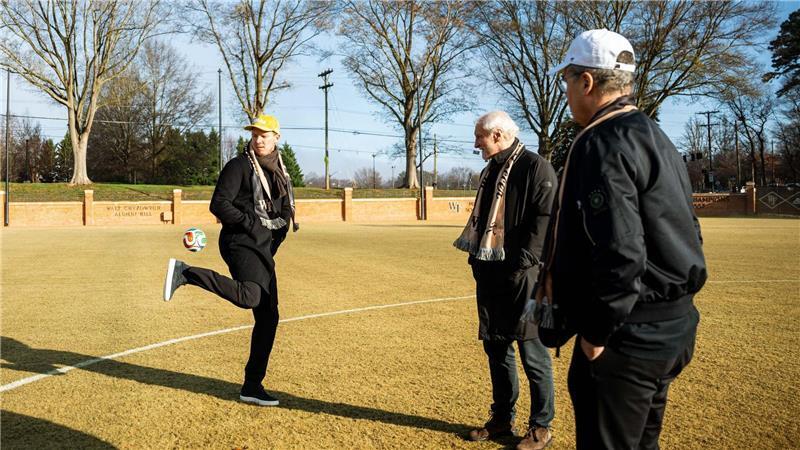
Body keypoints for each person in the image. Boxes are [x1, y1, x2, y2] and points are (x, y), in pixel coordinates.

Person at [542, 29, 707, 449]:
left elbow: (622, 251)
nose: (565, 92)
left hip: (629, 337)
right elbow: (689, 226)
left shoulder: (603, 141)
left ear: (587, 82)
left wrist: (596, 336)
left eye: (567, 81)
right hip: (673, 325)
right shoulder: (654, 134)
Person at [162, 113, 298, 407]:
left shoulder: (281, 174)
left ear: (276, 137)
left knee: (268, 316)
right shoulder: (238, 166)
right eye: (255, 134)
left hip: (263, 247)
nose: (258, 139)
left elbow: (284, 211)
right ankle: (186, 273)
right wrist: (251, 224)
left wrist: (275, 236)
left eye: (264, 135)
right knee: (250, 296)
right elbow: (219, 204)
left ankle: (251, 386)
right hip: (239, 241)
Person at [454, 111, 557, 450]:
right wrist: (478, 262)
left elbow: (545, 220)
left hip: (531, 278)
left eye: (478, 137)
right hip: (491, 273)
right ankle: (501, 419)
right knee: (496, 347)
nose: (475, 143)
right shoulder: (490, 171)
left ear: (496, 134)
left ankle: (541, 427)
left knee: (534, 350)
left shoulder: (535, 167)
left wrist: (524, 262)